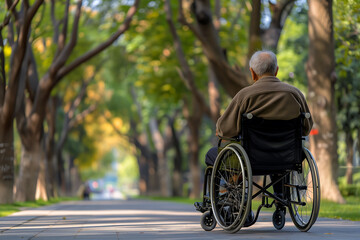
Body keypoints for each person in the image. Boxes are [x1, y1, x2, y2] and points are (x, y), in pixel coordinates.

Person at [204, 50, 313, 223]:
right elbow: (306, 128)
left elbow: (225, 129)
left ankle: (236, 203)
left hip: (251, 158)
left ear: (253, 73)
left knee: (213, 155)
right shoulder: (295, 94)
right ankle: (280, 200)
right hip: (286, 157)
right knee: (277, 159)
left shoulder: (245, 96)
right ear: (276, 70)